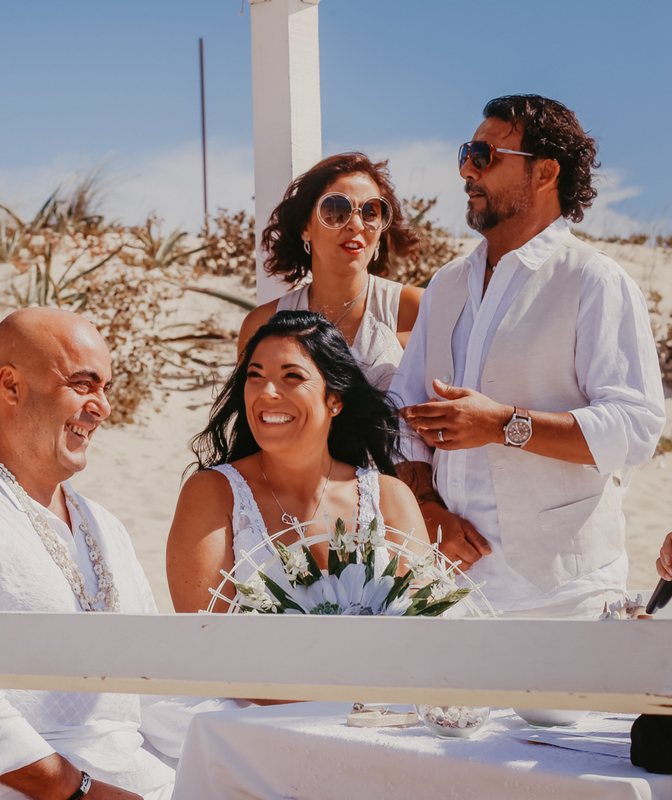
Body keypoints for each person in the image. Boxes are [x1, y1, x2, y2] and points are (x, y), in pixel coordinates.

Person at [0, 307, 229, 800]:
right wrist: (79, 790)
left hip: (133, 781)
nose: (102, 407)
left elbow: (155, 690)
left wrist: (249, 748)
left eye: (105, 388)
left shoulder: (104, 526)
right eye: (83, 384)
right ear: (10, 385)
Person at [391, 95, 665, 618]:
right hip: (446, 587)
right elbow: (402, 411)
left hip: (562, 595)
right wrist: (423, 505)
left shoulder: (594, 280)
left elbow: (635, 427)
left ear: (545, 172)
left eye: (484, 155)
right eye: (466, 154)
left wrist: (502, 424)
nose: (467, 171)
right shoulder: (447, 284)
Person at [167, 311, 427, 613]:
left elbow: (424, 624)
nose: (267, 392)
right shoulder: (212, 494)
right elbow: (202, 631)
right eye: (255, 375)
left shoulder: (389, 498)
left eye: (292, 376)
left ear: (335, 398)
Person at [238, 153, 422, 392]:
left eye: (370, 212)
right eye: (336, 209)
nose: (356, 224)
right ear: (305, 226)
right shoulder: (262, 324)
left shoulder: (417, 311)